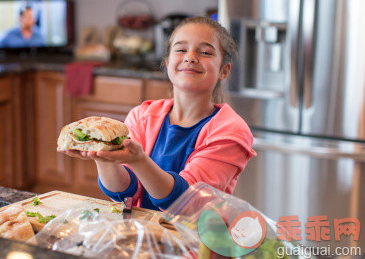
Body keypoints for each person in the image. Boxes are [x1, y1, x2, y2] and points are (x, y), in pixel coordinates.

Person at [58, 16, 256, 211]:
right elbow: (124, 193)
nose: (190, 57)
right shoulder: (143, 115)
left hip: (195, 240)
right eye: (180, 49)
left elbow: (186, 202)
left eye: (205, 52)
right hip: (141, 235)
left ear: (224, 70)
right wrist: (103, 156)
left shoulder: (230, 131)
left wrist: (139, 160)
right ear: (168, 63)